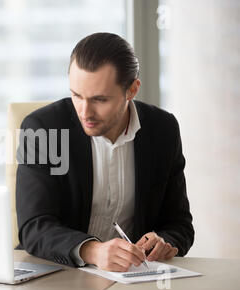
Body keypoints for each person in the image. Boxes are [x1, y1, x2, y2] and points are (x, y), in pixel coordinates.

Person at [15, 32, 194, 271]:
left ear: (132, 90)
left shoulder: (163, 129)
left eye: (99, 100)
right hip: (59, 274)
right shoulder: (44, 128)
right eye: (77, 96)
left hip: (132, 281)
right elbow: (34, 227)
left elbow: (179, 223)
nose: (85, 112)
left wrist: (166, 241)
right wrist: (93, 250)